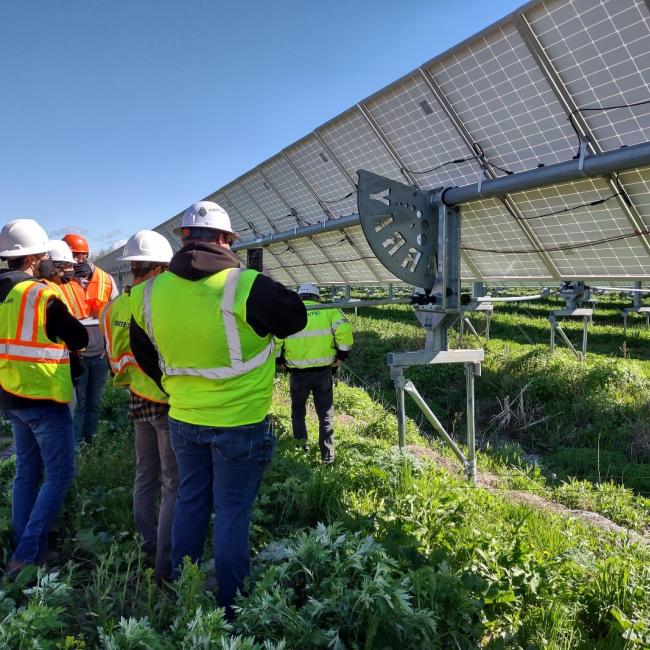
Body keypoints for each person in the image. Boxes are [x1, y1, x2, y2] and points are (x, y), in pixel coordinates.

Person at [129, 201, 306, 616]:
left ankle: (182, 590)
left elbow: (143, 353)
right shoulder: (246, 286)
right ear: (227, 240)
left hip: (184, 420)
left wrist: (177, 386)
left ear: (182, 239)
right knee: (231, 513)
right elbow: (294, 319)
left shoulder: (147, 294)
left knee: (190, 500)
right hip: (240, 423)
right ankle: (230, 605)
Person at [0, 219, 88, 577]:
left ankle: (26, 545)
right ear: (36, 258)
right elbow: (79, 337)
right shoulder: (39, 294)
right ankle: (27, 553)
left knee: (27, 472)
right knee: (60, 473)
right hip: (42, 396)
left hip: (9, 395)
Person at [99, 230, 178, 581]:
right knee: (173, 481)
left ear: (132, 267)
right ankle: (167, 558)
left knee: (145, 475)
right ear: (162, 268)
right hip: (165, 400)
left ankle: (147, 541)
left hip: (136, 397)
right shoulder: (160, 303)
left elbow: (114, 358)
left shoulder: (112, 308)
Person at [276, 283, 353, 464]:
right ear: (317, 297)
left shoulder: (288, 313)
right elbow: (345, 330)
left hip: (297, 373)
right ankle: (328, 457)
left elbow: (277, 338)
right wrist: (341, 356)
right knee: (325, 415)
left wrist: (279, 361)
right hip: (323, 372)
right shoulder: (329, 310)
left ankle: (300, 453)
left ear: (299, 298)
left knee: (297, 413)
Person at [61, 233, 117, 448]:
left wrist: (109, 348)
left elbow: (115, 315)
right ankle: (75, 446)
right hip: (77, 355)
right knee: (79, 404)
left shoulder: (105, 279)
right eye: (75, 256)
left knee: (94, 403)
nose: (79, 260)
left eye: (83, 255)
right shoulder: (61, 283)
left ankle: (89, 444)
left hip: (100, 354)